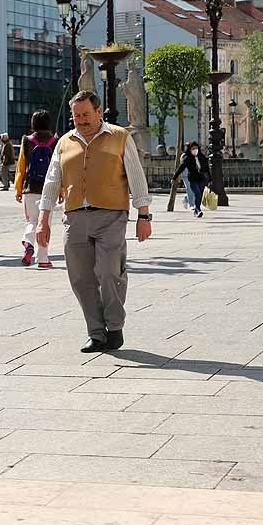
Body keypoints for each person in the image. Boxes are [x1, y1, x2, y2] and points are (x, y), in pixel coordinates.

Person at [37, 92, 153, 353]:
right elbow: (52, 182)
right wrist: (43, 221)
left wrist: (143, 215)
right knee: (80, 277)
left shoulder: (120, 136)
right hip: (75, 216)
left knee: (109, 271)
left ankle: (114, 327)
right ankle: (96, 332)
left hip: (111, 215)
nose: (81, 120)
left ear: (99, 112)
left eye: (86, 114)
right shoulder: (64, 142)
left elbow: (136, 176)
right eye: (76, 116)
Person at [14, 110, 57, 269]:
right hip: (49, 188)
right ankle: (43, 259)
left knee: (32, 220)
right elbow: (60, 168)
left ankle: (28, 242)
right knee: (45, 223)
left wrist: (18, 188)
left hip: (30, 188)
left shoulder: (27, 140)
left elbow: (21, 167)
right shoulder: (55, 141)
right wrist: (62, 190)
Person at [174, 140, 211, 217]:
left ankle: (197, 208)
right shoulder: (187, 158)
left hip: (201, 179)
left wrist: (210, 179)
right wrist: (175, 177)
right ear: (190, 149)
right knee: (197, 193)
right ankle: (197, 209)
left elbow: (207, 168)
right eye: (193, 148)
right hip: (193, 179)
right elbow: (181, 168)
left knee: (200, 195)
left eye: (196, 148)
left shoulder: (202, 157)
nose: (195, 150)